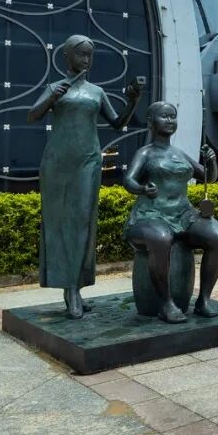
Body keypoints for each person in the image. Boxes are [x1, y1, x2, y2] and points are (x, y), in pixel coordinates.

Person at [28, 35, 141, 319]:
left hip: (88, 161)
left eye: (90, 55)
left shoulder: (96, 92)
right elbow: (33, 115)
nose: (86, 60)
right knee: (57, 222)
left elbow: (118, 124)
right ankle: (69, 287)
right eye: (81, 54)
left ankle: (74, 288)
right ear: (67, 57)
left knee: (82, 221)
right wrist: (52, 97)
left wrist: (133, 101)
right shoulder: (55, 87)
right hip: (57, 162)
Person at [123, 101, 218, 323]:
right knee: (161, 238)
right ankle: (166, 303)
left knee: (217, 236)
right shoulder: (145, 153)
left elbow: (208, 177)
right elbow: (128, 180)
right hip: (150, 215)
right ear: (151, 122)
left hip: (183, 215)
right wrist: (142, 189)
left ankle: (203, 300)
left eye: (173, 116)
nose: (170, 120)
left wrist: (212, 161)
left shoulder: (179, 153)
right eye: (164, 116)